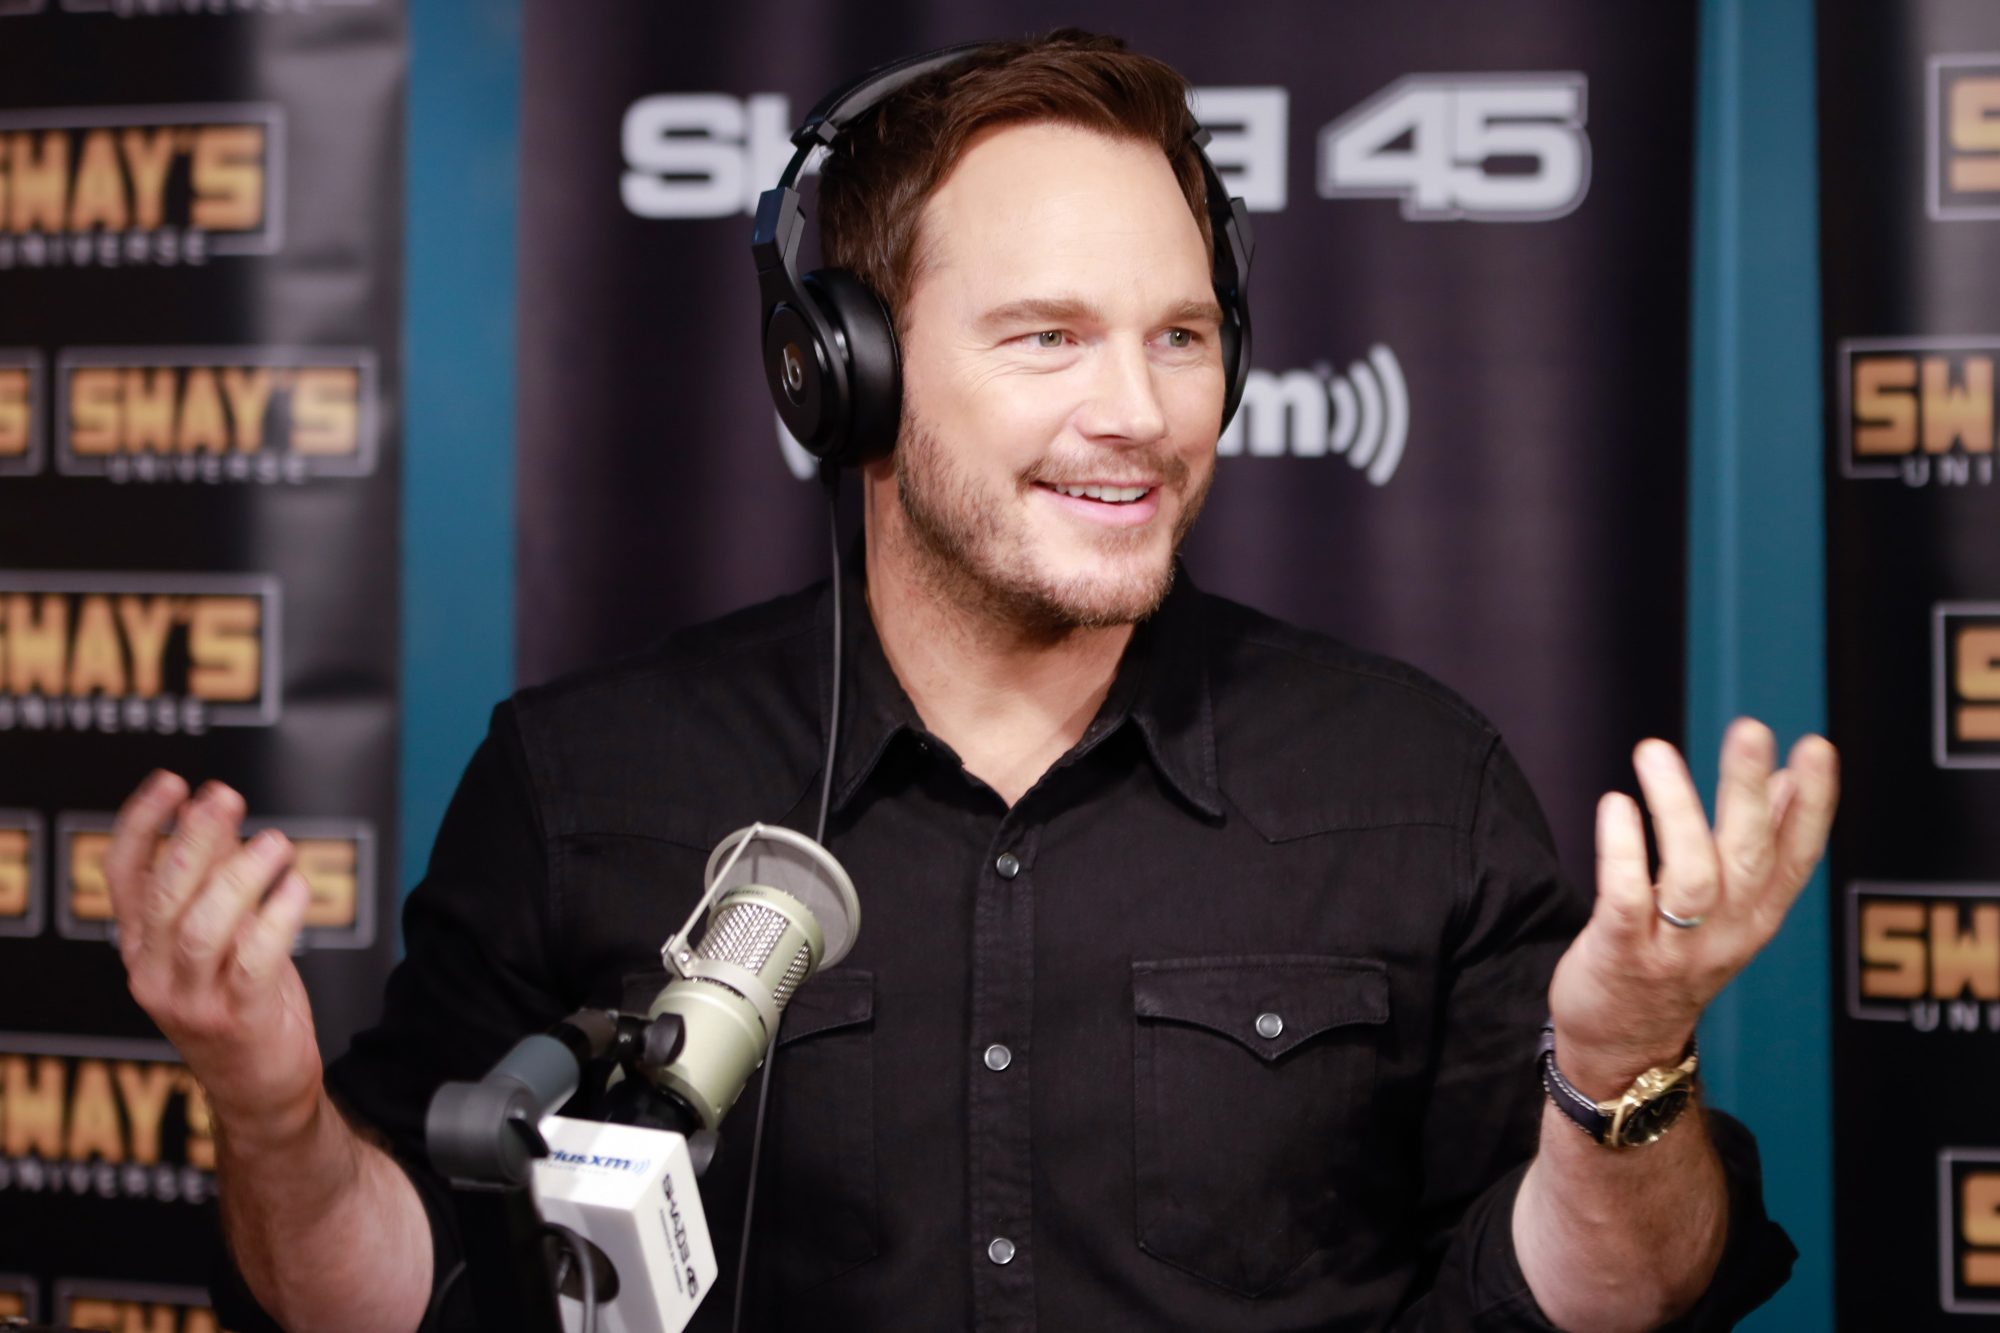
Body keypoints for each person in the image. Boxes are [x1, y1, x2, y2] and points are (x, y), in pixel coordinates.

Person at [105, 31, 1834, 1332]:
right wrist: (274, 1113)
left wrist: (1622, 1074)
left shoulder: (1414, 775)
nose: (1141, 412)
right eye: (1046, 337)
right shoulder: (583, 784)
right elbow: (392, 1294)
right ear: (838, 372)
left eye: (1179, 335)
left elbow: (1603, 1298)